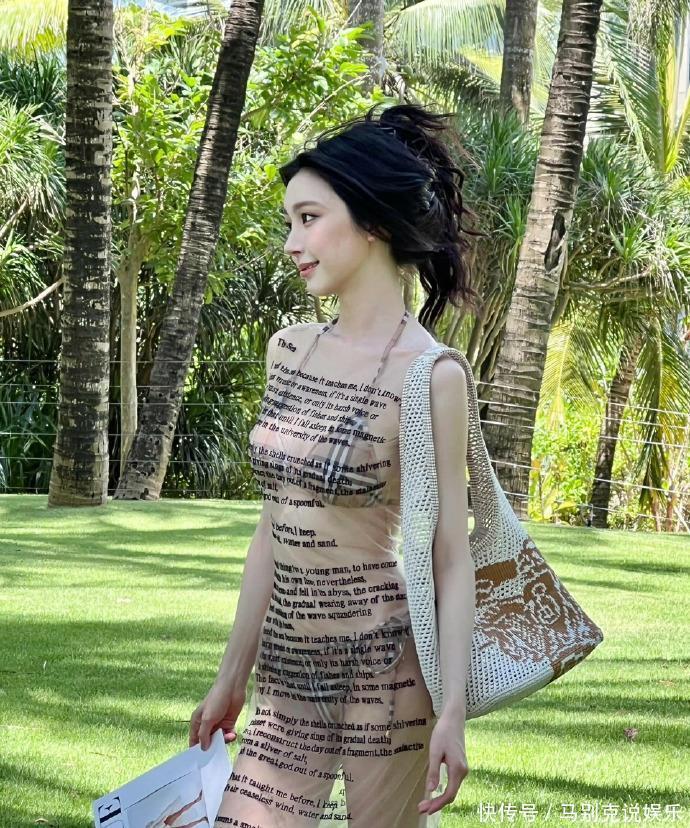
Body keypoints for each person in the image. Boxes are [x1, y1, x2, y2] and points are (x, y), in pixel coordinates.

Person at [189, 102, 479, 827]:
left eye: (310, 218)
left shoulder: (432, 375)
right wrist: (231, 676)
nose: (294, 242)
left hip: (387, 673)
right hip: (289, 667)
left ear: (372, 222)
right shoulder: (289, 350)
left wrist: (452, 710)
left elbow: (450, 555)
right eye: (291, 222)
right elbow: (272, 527)